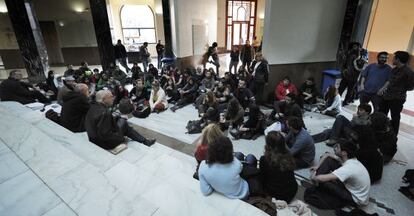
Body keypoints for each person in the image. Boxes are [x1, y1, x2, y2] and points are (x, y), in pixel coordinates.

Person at [307, 139, 370, 209]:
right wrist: (317, 166)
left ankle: (317, 185)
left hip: (355, 198)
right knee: (329, 160)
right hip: (352, 188)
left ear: (343, 153)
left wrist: (314, 177)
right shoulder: (349, 159)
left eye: (337, 147)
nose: (335, 148)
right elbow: (327, 155)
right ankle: (317, 183)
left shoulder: (349, 168)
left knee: (324, 181)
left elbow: (320, 178)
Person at [238, 132, 298, 202]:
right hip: (291, 192)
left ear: (268, 145)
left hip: (274, 194)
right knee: (250, 158)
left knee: (250, 160)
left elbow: (262, 178)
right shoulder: (289, 155)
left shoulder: (265, 159)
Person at [379, 51, 414, 134]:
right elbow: (390, 82)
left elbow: (411, 86)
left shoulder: (408, 72)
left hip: (397, 98)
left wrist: (400, 89)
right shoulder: (394, 69)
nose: (392, 59)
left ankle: (393, 137)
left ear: (398, 59)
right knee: (381, 115)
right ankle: (380, 132)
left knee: (395, 118)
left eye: (394, 58)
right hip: (387, 96)